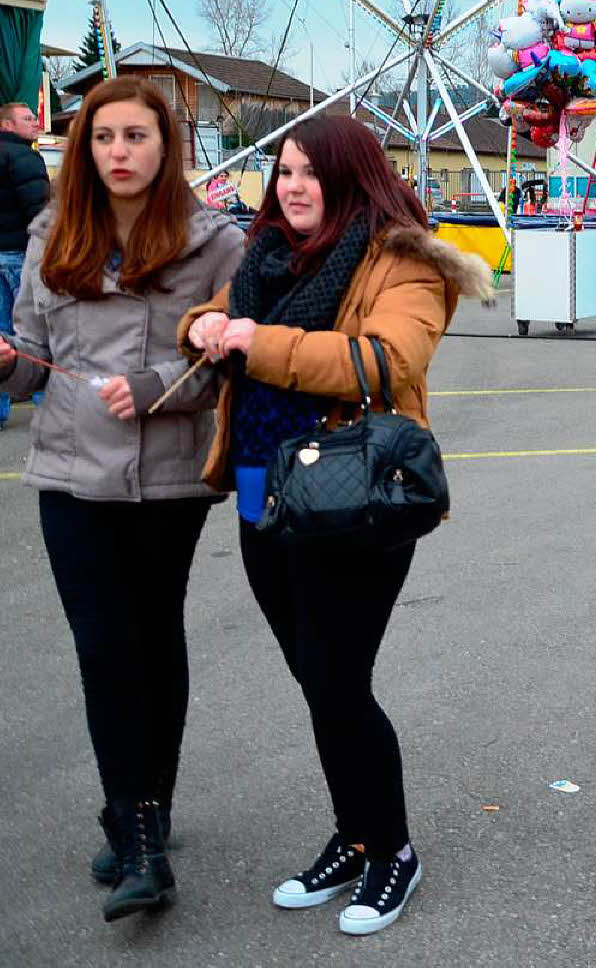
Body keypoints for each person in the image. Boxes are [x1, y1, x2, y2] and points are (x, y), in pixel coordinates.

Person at [179, 115, 492, 936]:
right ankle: (355, 834)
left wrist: (258, 341)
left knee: (337, 681)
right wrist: (203, 327)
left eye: (311, 172)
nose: (292, 186)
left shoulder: (406, 259)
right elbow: (214, 317)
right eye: (284, 171)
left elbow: (387, 361)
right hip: (259, 489)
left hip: (354, 499)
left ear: (353, 175)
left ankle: (392, 849)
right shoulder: (268, 252)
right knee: (314, 679)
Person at [0, 77, 244, 923]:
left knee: (151, 638)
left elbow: (229, 361)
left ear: (164, 145)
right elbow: (35, 355)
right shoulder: (51, 232)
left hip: (165, 478)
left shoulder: (214, 244)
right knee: (103, 649)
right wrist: (7, 366)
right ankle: (139, 833)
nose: (118, 153)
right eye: (103, 137)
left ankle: (148, 810)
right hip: (69, 477)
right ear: (83, 146)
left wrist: (152, 386)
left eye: (135, 136)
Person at [0, 101, 49, 427]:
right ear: (7, 125)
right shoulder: (24, 157)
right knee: (33, 330)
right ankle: (47, 404)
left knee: (2, 338)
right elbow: (40, 212)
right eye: (28, 118)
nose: (35, 122)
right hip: (19, 253)